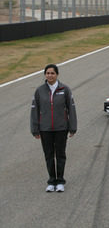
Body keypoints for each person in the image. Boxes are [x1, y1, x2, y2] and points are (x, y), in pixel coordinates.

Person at [30, 64, 77, 192]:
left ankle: (60, 181)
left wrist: (72, 127)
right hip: (45, 129)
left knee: (60, 155)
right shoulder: (39, 91)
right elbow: (34, 111)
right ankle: (51, 181)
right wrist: (35, 129)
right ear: (45, 75)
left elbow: (71, 109)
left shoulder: (65, 89)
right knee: (49, 155)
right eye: (48, 73)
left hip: (61, 128)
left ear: (57, 74)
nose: (50, 75)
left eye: (52, 73)